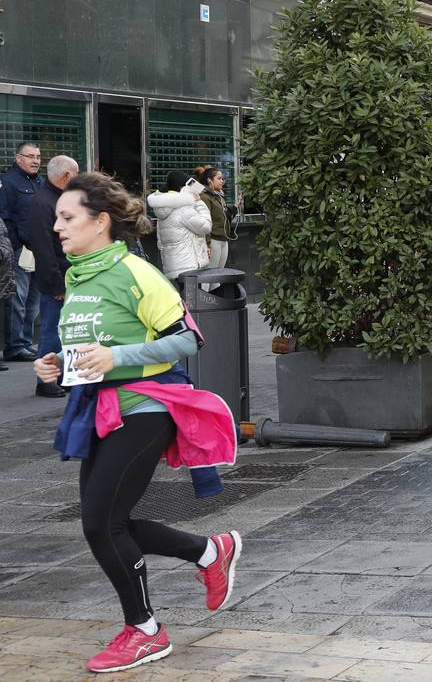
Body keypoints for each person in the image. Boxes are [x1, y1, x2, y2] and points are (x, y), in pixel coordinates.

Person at [39, 172, 240, 674]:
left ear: (100, 221)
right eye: (57, 218)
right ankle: (209, 552)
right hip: (99, 409)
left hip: (147, 409)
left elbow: (188, 340)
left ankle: (145, 631)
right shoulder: (76, 275)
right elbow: (91, 349)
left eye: (67, 217)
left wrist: (116, 358)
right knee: (107, 524)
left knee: (100, 523)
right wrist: (56, 363)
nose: (57, 227)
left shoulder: (137, 273)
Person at [27, 155, 78, 397]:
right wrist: (56, 283)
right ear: (66, 176)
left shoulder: (55, 199)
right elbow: (44, 249)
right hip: (56, 278)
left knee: (66, 330)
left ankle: (62, 376)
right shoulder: (43, 202)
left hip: (66, 274)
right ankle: (46, 380)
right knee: (52, 331)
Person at [2, 141, 44, 361]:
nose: (35, 161)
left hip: (39, 249)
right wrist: (17, 246)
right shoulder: (8, 182)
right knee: (17, 299)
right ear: (18, 158)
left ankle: (26, 342)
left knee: (33, 301)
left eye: (38, 157)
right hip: (20, 251)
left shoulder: (40, 182)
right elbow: (4, 217)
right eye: (30, 156)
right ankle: (15, 345)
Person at [147, 171, 212, 285]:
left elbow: (161, 243)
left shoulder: (164, 208)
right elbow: (206, 227)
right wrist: (198, 202)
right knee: (193, 301)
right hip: (189, 266)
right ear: (183, 189)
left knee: (184, 299)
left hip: (175, 266)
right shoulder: (183, 209)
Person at [195, 167, 236, 272]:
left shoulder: (219, 196)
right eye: (219, 178)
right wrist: (207, 244)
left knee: (219, 275)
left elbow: (224, 217)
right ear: (209, 180)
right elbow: (205, 221)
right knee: (209, 275)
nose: (222, 181)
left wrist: (235, 207)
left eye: (222, 178)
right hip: (213, 240)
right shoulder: (205, 197)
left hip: (223, 239)